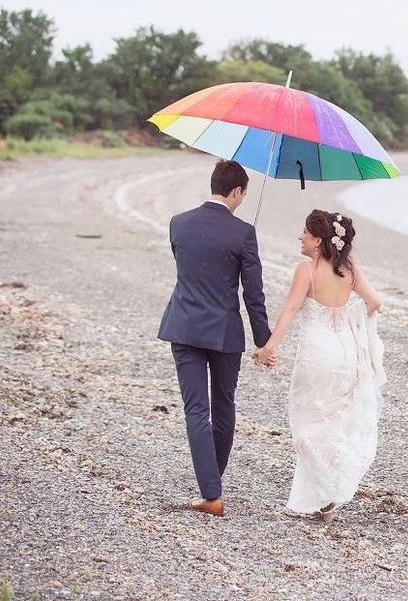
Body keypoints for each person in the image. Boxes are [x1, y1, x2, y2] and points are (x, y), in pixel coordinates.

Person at [158, 159, 274, 517]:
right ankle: (213, 488)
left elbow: (187, 269)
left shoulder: (179, 223)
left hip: (185, 326)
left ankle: (211, 490)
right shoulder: (243, 233)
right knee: (223, 407)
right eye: (243, 194)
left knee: (196, 408)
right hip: (224, 333)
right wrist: (263, 340)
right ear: (237, 191)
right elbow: (253, 294)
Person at [253, 209, 385, 522]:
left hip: (317, 355)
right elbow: (375, 303)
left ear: (318, 241)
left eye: (305, 233)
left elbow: (290, 311)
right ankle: (321, 495)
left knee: (306, 423)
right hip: (346, 355)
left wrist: (268, 347)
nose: (300, 237)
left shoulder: (306, 270)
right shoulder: (348, 269)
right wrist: (351, 316)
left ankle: (330, 487)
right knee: (333, 421)